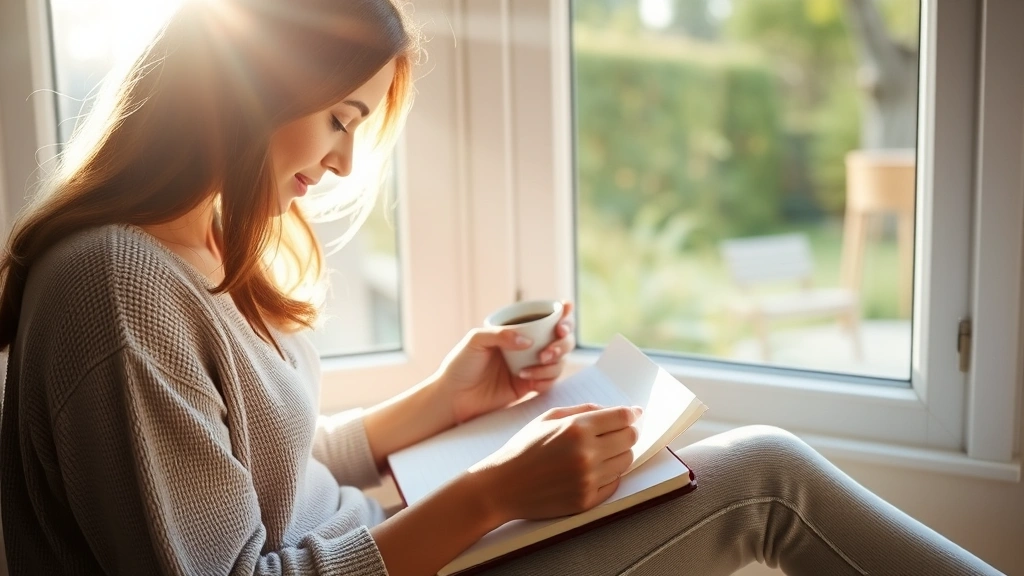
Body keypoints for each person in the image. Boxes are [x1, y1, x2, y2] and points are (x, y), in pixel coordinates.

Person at [0, 1, 1003, 575]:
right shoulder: (118, 283)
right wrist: (489, 495)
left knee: (748, 469)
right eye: (340, 118)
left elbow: (265, 479)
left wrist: (441, 403)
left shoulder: (194, 249)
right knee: (765, 475)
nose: (344, 165)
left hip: (384, 548)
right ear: (251, 83)